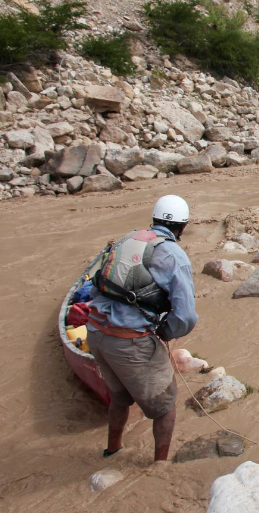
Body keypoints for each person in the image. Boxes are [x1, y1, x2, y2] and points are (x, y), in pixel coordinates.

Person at [87, 195, 198, 462]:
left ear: (155, 219)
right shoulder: (173, 255)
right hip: (129, 343)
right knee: (165, 407)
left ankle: (112, 449)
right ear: (182, 227)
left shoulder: (127, 240)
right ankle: (160, 465)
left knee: (119, 396)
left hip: (96, 333)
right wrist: (164, 333)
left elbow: (95, 285)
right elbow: (186, 317)